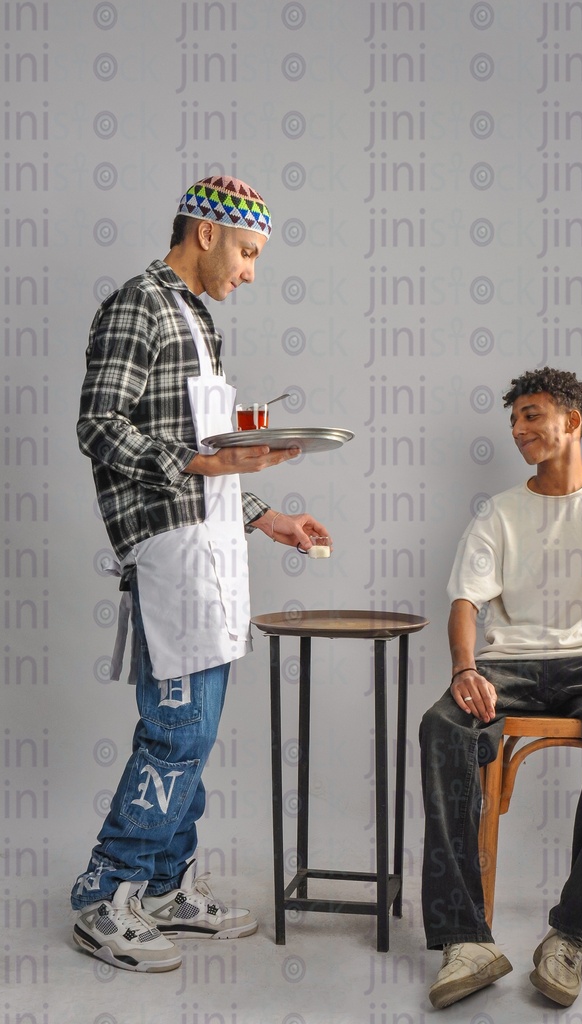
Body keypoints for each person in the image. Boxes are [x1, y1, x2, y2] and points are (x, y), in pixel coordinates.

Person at [72, 175, 331, 974]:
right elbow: (99, 426)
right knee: (176, 729)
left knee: (199, 732)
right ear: (207, 232)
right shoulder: (138, 304)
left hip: (211, 549)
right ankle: (104, 895)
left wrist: (266, 516)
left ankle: (160, 886)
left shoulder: (199, 320)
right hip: (169, 556)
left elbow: (203, 458)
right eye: (249, 252)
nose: (251, 271)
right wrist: (205, 459)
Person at [420, 367, 582, 1009]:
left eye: (532, 416)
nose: (519, 430)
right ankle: (466, 940)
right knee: (443, 726)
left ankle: (570, 934)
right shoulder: (501, 512)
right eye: (514, 420)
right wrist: (465, 669)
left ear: (573, 422)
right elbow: (465, 601)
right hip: (509, 665)